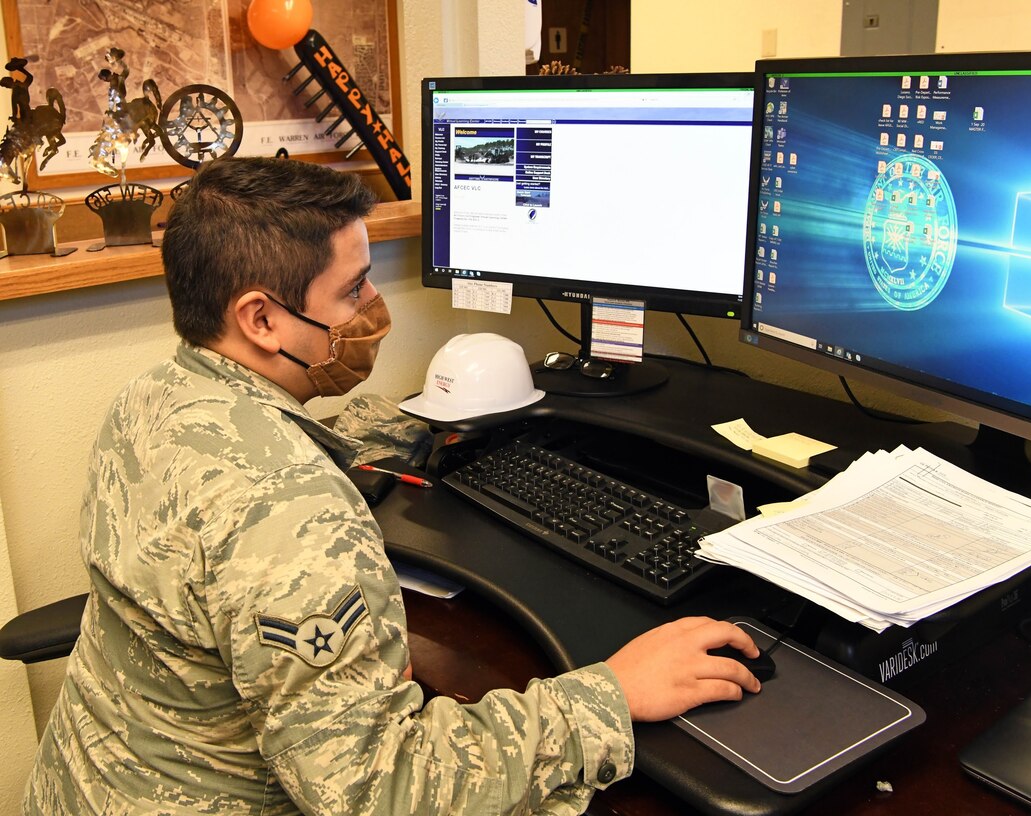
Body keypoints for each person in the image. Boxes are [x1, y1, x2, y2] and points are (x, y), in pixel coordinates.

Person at [23, 156, 762, 815]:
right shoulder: (293, 514)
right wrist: (612, 696)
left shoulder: (154, 399)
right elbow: (379, 789)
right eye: (351, 290)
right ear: (261, 318)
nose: (373, 307)